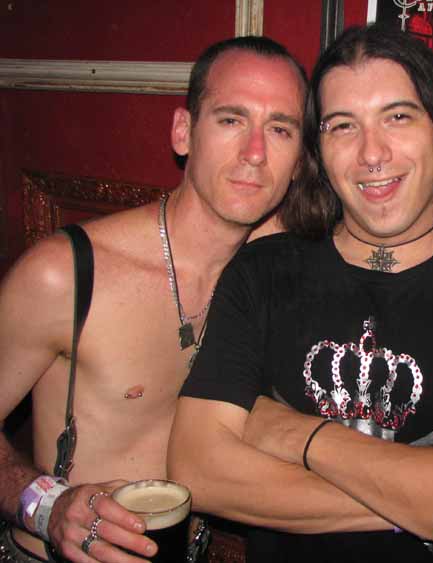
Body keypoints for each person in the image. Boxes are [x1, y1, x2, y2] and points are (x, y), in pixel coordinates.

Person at [170, 24, 433, 563]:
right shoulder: (262, 271)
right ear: (318, 152)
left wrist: (300, 438)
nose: (372, 153)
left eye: (398, 117)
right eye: (342, 126)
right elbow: (198, 472)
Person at [0, 35, 306, 563]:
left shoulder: (278, 271)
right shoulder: (67, 274)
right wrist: (47, 506)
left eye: (280, 129)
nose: (255, 153)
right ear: (183, 132)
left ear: (300, 159)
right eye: (231, 120)